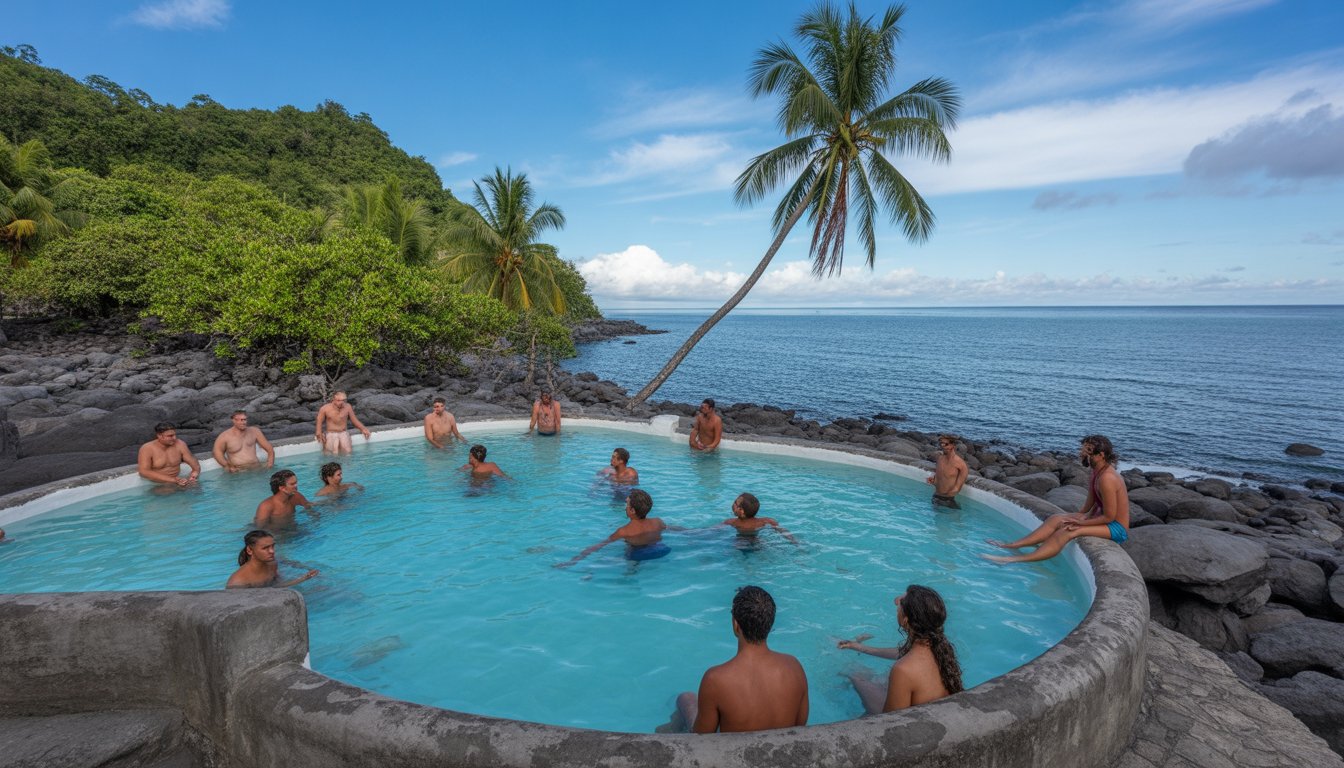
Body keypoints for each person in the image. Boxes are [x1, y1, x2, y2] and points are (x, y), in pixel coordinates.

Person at [671, 585, 809, 733]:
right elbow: (801, 725)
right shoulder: (794, 667)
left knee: (685, 698)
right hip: (782, 751)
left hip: (733, 754)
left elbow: (702, 737)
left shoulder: (715, 679)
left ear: (736, 625)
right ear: (770, 624)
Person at [983, 434, 1130, 563]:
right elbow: (1089, 505)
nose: (1081, 453)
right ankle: (1012, 545)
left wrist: (1081, 524)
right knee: (1056, 518)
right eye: (1083, 449)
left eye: (1087, 451)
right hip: (1102, 519)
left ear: (1101, 455)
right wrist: (1082, 516)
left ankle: (1015, 559)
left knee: (1069, 530)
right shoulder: (1095, 472)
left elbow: (1110, 517)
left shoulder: (1107, 478)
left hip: (1116, 528)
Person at [837, 584, 963, 714]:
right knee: (882, 679)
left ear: (905, 621)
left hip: (910, 725)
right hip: (933, 713)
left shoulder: (903, 670)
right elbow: (902, 652)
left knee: (855, 673)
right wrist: (859, 647)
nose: (897, 603)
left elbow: (889, 721)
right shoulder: (940, 647)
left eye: (900, 606)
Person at [557, 489, 668, 566]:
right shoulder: (658, 522)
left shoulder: (624, 531)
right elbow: (675, 529)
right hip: (659, 549)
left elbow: (599, 546)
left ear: (632, 510)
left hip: (636, 554)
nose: (625, 507)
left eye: (627, 504)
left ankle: (631, 571)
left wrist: (573, 561)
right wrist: (686, 533)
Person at [226, 529, 319, 589]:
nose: (272, 551)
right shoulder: (237, 582)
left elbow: (277, 586)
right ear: (250, 550)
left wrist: (303, 578)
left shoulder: (272, 564)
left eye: (272, 546)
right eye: (265, 548)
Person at [137, 422, 201, 487]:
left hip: (178, 480)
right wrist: (173, 480)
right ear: (159, 436)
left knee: (195, 488)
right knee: (167, 491)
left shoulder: (180, 444)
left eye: (175, 435)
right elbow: (143, 472)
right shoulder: (147, 448)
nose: (174, 438)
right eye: (170, 436)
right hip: (158, 484)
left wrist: (194, 475)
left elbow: (193, 462)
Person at [721, 493, 798, 544]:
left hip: (740, 543)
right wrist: (795, 542)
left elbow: (711, 532)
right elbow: (785, 533)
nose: (733, 504)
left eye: (735, 503)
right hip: (759, 543)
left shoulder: (731, 522)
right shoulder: (768, 521)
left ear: (741, 511)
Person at [211, 410, 275, 473]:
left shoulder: (255, 431)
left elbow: (269, 448)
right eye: (241, 420)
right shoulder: (224, 436)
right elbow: (217, 453)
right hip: (239, 470)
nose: (243, 422)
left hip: (256, 467)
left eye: (245, 420)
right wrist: (228, 466)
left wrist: (270, 463)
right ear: (234, 420)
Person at [925, 434, 968, 509]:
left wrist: (947, 496)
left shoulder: (961, 464)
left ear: (953, 445)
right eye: (941, 443)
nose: (942, 446)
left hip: (948, 500)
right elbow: (940, 477)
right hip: (935, 496)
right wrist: (933, 481)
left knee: (955, 519)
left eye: (945, 444)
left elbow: (957, 488)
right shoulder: (940, 459)